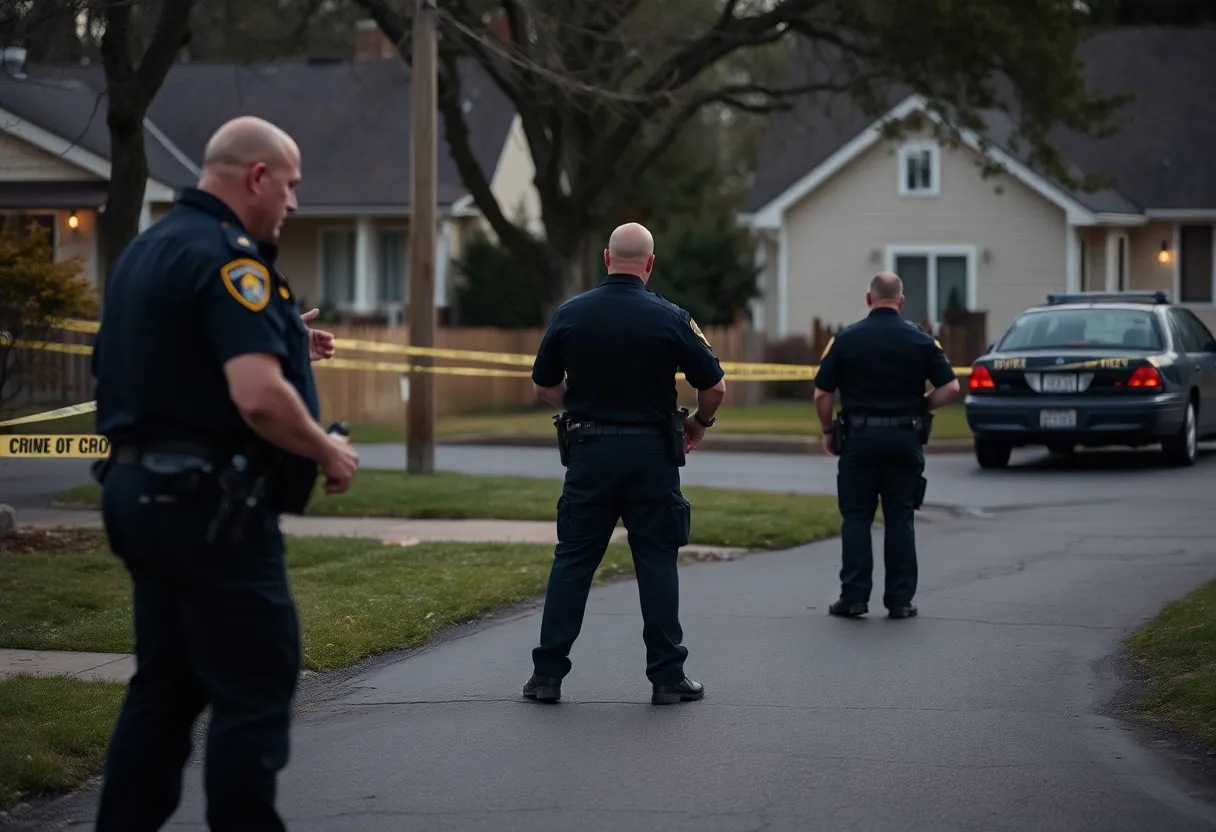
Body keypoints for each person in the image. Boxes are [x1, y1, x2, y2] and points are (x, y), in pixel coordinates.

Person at [91, 115, 359, 831]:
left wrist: (282, 333)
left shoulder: (148, 250)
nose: (294, 204)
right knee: (254, 690)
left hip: (138, 496)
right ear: (258, 178)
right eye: (292, 186)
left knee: (165, 690)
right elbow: (258, 397)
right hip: (209, 509)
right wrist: (325, 450)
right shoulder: (229, 259)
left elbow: (171, 357)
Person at [523, 222, 727, 705]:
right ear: (650, 264)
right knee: (656, 560)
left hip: (589, 453)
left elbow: (543, 385)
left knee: (573, 561)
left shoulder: (571, 314)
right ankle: (667, 677)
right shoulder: (671, 317)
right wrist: (699, 423)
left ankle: (547, 676)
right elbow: (714, 387)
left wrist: (582, 403)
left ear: (606, 257)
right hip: (651, 456)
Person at [812, 272, 960, 619]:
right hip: (904, 439)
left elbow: (822, 394)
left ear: (868, 299)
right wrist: (920, 406)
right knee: (900, 518)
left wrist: (828, 429)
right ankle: (899, 600)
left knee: (856, 518)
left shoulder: (845, 340)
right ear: (901, 301)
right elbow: (950, 388)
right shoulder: (921, 340)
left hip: (859, 440)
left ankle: (854, 597)